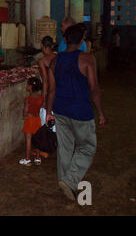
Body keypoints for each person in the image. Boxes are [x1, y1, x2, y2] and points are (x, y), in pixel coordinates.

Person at [46, 24, 107, 201]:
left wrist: (49, 111)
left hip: (61, 110)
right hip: (81, 111)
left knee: (65, 148)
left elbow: (51, 90)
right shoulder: (87, 59)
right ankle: (70, 181)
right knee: (87, 147)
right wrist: (101, 112)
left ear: (65, 40)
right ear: (81, 41)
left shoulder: (55, 61)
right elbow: (94, 88)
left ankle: (64, 182)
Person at [19, 77, 44, 166]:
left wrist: (25, 114)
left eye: (27, 84)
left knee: (28, 140)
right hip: (38, 120)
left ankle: (27, 159)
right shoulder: (42, 98)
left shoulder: (28, 99)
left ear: (30, 87)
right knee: (38, 140)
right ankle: (37, 158)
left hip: (30, 120)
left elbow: (25, 112)